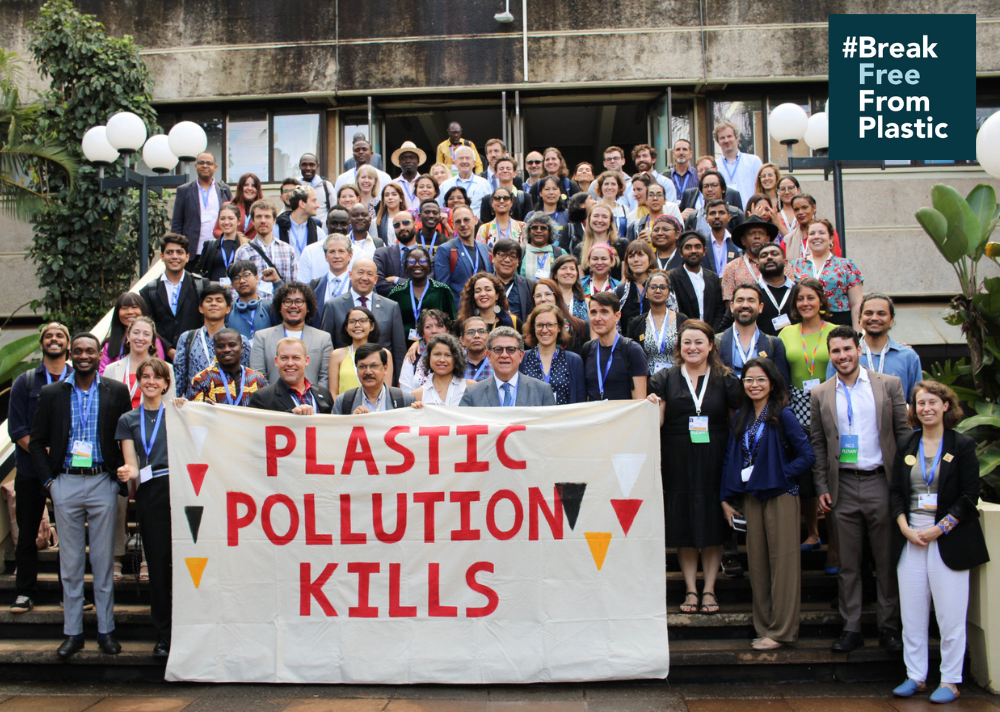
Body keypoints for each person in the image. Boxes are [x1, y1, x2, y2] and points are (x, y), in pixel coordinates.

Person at [30, 333, 132, 658]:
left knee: (102, 561)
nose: (84, 356)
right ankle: (73, 633)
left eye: (90, 351)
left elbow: (127, 432)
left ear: (99, 353)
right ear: (71, 355)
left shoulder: (116, 391)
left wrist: (118, 480)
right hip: (66, 483)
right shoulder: (51, 393)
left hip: (102, 480)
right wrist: (50, 482)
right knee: (70, 563)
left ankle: (106, 631)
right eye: (79, 351)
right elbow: (35, 441)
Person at [811, 326, 910, 654]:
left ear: (858, 349)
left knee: (885, 561)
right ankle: (851, 626)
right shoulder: (821, 393)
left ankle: (889, 627)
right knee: (849, 563)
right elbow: (818, 444)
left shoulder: (888, 386)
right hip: (843, 485)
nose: (842, 357)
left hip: (881, 481)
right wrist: (822, 485)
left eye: (847, 350)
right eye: (836, 352)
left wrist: (904, 486)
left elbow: (903, 434)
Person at [890, 381, 990, 703]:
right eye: (920, 404)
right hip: (912, 539)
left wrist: (940, 528)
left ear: (946, 406)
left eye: (932, 402)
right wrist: (905, 527)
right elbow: (895, 494)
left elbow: (969, 495)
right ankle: (915, 676)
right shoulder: (907, 444)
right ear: (914, 410)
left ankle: (949, 681)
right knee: (912, 615)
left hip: (948, 539)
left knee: (950, 617)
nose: (926, 409)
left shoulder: (962, 445)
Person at [720, 357, 815, 650]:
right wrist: (725, 497)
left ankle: (783, 631)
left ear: (772, 383)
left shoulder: (783, 415)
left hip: (781, 495)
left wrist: (778, 473)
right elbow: (731, 457)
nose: (754, 385)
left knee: (783, 564)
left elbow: (807, 455)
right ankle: (764, 627)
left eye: (760, 379)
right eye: (748, 380)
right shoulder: (742, 417)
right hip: (751, 496)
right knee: (758, 565)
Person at [647, 319, 741, 614]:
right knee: (684, 525)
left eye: (699, 342)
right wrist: (649, 406)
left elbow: (734, 421)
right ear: (679, 347)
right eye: (687, 342)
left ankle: (710, 589)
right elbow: (657, 423)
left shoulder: (726, 379)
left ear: (711, 346)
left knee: (712, 525)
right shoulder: (665, 378)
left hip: (715, 457)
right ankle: (690, 589)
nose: (692, 348)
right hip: (677, 459)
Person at [8, 323, 72, 614]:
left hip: (70, 472)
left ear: (67, 344)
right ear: (42, 343)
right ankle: (24, 592)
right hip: (31, 470)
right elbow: (17, 428)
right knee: (27, 533)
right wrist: (44, 453)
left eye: (60, 336)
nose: (54, 339)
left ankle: (69, 593)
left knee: (70, 537)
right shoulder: (25, 381)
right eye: (49, 336)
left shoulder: (79, 378)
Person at [114, 357, 175, 656]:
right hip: (151, 494)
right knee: (159, 566)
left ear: (166, 383)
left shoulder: (179, 412)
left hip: (183, 491)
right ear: (138, 381)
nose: (151, 381)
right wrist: (128, 473)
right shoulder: (128, 419)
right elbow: (132, 464)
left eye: (157, 377)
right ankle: (164, 633)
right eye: (145, 376)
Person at [776, 278, 836, 553]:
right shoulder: (786, 334)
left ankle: (835, 541)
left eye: (811, 298)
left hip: (829, 404)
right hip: (796, 406)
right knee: (805, 469)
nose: (805, 303)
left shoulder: (836, 331)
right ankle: (812, 532)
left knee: (828, 467)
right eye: (800, 299)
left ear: (821, 301)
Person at [321, 258, 406, 384]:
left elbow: (399, 350)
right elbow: (327, 347)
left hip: (382, 380)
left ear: (376, 279)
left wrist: (399, 382)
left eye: (370, 274)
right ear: (351, 275)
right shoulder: (333, 306)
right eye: (360, 272)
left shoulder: (391, 306)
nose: (364, 278)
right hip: (344, 380)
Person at [825, 293, 922, 398]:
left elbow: (916, 402)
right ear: (860, 319)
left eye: (881, 314)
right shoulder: (842, 357)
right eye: (868, 313)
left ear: (891, 320)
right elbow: (831, 399)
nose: (874, 318)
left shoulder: (908, 357)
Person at [173, 284, 252, 397]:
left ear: (228, 308)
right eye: (209, 300)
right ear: (200, 308)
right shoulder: (187, 338)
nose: (213, 303)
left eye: (219, 300)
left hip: (229, 405)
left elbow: (246, 374)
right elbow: (179, 376)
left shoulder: (241, 340)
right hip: (195, 405)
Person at [252, 281, 334, 389]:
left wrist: (314, 400)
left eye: (299, 301)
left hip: (311, 403)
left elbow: (326, 377)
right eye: (287, 301)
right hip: (272, 403)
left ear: (308, 307)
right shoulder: (262, 337)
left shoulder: (323, 338)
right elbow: (259, 376)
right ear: (279, 307)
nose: (293, 306)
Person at [139, 234, 207, 361]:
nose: (174, 256)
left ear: (187, 257)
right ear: (162, 256)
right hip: (160, 359)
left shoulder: (201, 286)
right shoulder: (148, 291)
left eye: (179, 252)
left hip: (196, 356)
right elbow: (148, 325)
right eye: (169, 252)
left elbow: (207, 322)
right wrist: (168, 350)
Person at [791, 217, 863, 331]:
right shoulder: (795, 266)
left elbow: (857, 303)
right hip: (806, 322)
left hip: (839, 322)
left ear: (831, 239)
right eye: (812, 233)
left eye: (822, 233)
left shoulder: (846, 265)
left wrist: (858, 333)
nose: (816, 236)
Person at [460, 326, 556, 407]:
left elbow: (551, 427)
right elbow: (463, 428)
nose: (504, 355)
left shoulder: (542, 391)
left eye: (511, 349)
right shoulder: (472, 393)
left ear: (521, 356)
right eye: (498, 349)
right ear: (489, 356)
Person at [718, 284, 791, 384]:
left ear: (760, 307)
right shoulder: (716, 342)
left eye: (751, 300)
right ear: (731, 306)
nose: (745, 305)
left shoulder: (774, 344)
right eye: (740, 300)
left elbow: (782, 386)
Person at [582, 292, 648, 400]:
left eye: (604, 312)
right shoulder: (587, 349)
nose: (597, 318)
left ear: (617, 316)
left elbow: (639, 402)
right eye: (593, 312)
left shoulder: (632, 350)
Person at [387, 245, 457, 342]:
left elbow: (452, 323)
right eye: (411, 261)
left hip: (436, 345)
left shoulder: (442, 290)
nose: (417, 265)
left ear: (429, 265)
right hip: (403, 346)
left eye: (422, 261)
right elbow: (390, 327)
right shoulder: (397, 293)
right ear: (406, 266)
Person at [104, 317, 177, 409]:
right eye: (136, 333)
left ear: (152, 340)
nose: (140, 338)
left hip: (152, 421)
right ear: (128, 336)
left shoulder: (166, 368)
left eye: (146, 334)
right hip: (119, 422)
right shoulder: (111, 369)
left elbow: (169, 405)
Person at [248, 337, 334, 414]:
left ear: (306, 361)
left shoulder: (324, 393)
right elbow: (258, 429)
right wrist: (291, 414)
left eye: (296, 358)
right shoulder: (262, 397)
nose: (290, 363)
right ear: (276, 361)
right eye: (284, 358)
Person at [170, 151, 232, 258]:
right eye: (201, 163)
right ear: (195, 166)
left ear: (215, 167)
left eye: (209, 163)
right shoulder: (184, 190)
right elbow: (177, 223)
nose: (205, 166)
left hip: (219, 250)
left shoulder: (224, 190)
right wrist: (178, 249)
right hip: (193, 251)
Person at [520, 304, 585, 404]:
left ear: (559, 327)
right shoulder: (522, 358)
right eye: (540, 325)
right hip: (531, 419)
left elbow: (580, 401)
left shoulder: (573, 360)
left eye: (550, 325)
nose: (545, 330)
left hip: (564, 418)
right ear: (533, 328)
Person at [720, 216, 792, 307]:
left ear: (768, 239)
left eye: (761, 233)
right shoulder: (732, 267)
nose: (757, 237)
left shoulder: (782, 264)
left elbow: (791, 293)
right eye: (751, 234)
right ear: (743, 240)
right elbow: (729, 302)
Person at [627, 271, 687, 376]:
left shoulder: (682, 320)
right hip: (647, 380)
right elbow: (631, 358)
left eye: (663, 287)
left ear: (669, 292)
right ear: (645, 292)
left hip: (677, 379)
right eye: (653, 287)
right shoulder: (635, 323)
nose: (658, 291)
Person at [234, 200, 298, 298]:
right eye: (259, 216)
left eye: (267, 217)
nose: (263, 220)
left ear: (274, 220)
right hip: (254, 308)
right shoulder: (243, 251)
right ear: (253, 221)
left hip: (281, 307)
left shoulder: (288, 250)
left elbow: (294, 285)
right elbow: (236, 287)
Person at [188, 328, 268, 405]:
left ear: (241, 348)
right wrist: (205, 407)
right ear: (214, 350)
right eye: (220, 346)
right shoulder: (202, 379)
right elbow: (196, 413)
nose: (226, 350)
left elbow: (266, 409)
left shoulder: (257, 378)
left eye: (232, 345)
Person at [334, 343, 420, 414]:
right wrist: (352, 421)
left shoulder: (405, 400)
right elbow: (335, 432)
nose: (368, 372)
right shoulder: (343, 402)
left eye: (374, 366)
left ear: (385, 368)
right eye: (362, 366)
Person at [434, 205, 494, 305]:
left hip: (483, 311)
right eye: (458, 221)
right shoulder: (446, 250)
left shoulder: (485, 249)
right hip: (460, 313)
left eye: (466, 220)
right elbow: (443, 289)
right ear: (453, 224)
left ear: (475, 220)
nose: (462, 224)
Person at [669, 232, 726, 332]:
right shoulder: (672, 277)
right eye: (688, 247)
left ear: (704, 251)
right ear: (681, 253)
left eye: (698, 247)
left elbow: (719, 310)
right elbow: (674, 311)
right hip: (683, 334)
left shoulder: (713, 277)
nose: (693, 251)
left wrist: (711, 333)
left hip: (711, 334)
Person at [328, 306, 391, 395]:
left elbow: (387, 390)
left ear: (372, 326)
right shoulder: (337, 355)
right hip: (345, 407)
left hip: (377, 407)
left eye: (362, 321)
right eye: (352, 321)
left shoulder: (384, 353)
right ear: (346, 327)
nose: (357, 325)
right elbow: (333, 392)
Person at [99, 292, 166, 373]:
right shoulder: (110, 344)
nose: (129, 312)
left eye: (134, 307)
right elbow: (103, 373)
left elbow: (160, 371)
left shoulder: (154, 341)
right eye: (124, 308)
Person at [412, 334, 475, 405]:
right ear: (429, 357)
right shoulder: (418, 394)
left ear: (456, 359)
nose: (442, 360)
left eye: (448, 355)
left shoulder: (470, 387)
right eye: (437, 354)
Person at [296, 205, 352, 285]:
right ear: (327, 224)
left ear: (349, 225)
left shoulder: (360, 254)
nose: (338, 228)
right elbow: (303, 286)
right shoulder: (310, 251)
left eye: (343, 224)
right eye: (334, 223)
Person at [398, 309, 452, 392]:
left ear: (447, 330)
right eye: (428, 327)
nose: (434, 331)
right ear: (422, 333)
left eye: (439, 326)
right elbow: (405, 390)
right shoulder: (413, 355)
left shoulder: (456, 354)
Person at [226, 260, 279, 341]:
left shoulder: (268, 307)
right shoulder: (228, 311)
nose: (242, 281)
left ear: (257, 278)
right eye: (236, 278)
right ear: (232, 285)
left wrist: (277, 281)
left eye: (246, 275)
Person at [714, 121, 763, 207]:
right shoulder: (715, 166)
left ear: (737, 138)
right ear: (718, 142)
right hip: (723, 215)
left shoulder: (753, 161)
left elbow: (761, 189)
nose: (726, 140)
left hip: (749, 214)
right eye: (722, 138)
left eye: (729, 136)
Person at [532, 277, 589, 353]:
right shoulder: (529, 329)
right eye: (538, 296)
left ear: (557, 296)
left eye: (548, 294)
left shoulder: (579, 327)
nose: (543, 299)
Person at [684, 171, 745, 239]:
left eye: (714, 185)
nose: (710, 189)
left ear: (723, 189)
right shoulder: (693, 217)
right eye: (706, 186)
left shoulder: (736, 214)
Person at [679, 156, 744, 218]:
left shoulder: (733, 194)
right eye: (700, 170)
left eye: (707, 169)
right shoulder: (689, 194)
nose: (704, 172)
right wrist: (681, 216)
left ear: (716, 169)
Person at [755, 242, 797, 337]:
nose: (769, 257)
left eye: (774, 254)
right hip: (763, 348)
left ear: (785, 263)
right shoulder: (751, 293)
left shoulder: (799, 290)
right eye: (764, 255)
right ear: (757, 266)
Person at [578, 203, 627, 281]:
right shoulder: (580, 248)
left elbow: (625, 277)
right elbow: (581, 281)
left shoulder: (622, 244)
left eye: (604, 217)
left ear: (610, 221)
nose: (600, 220)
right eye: (596, 216)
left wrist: (615, 292)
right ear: (589, 219)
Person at [785, 193, 843, 261]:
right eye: (796, 209)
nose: (800, 212)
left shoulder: (828, 233)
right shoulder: (788, 239)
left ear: (814, 208)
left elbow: (837, 260)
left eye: (805, 207)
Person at [437, 145, 491, 216]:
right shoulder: (445, 185)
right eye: (461, 158)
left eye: (468, 158)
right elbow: (440, 209)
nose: (464, 161)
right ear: (455, 162)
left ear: (474, 163)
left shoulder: (484, 184)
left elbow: (490, 209)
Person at [200, 204, 249, 283]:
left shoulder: (246, 245)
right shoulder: (210, 245)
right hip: (214, 290)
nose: (226, 222)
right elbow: (199, 271)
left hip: (238, 290)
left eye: (230, 218)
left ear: (239, 221)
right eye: (222, 218)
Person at [373, 211, 417, 297]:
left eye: (406, 223)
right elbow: (378, 283)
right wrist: (411, 288)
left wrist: (396, 280)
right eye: (397, 225)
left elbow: (426, 285)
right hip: (387, 306)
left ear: (415, 224)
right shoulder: (381, 254)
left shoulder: (427, 257)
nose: (401, 227)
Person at [491, 238, 535, 323]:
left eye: (513, 256)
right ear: (493, 258)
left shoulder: (530, 285)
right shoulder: (484, 284)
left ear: (518, 261)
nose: (507, 260)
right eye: (502, 255)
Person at [275, 185, 326, 257]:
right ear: (302, 204)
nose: (318, 205)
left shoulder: (319, 233)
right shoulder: (277, 228)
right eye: (314, 201)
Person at [615, 240, 656, 328]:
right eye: (631, 256)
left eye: (641, 255)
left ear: (650, 258)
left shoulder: (661, 288)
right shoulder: (619, 291)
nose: (636, 260)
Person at [480, 155, 532, 223]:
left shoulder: (525, 198)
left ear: (515, 173)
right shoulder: (487, 200)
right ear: (496, 173)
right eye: (501, 168)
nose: (505, 171)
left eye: (508, 168)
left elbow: (528, 224)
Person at [211, 172, 260, 243]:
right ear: (240, 187)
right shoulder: (228, 206)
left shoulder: (262, 209)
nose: (249, 188)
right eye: (246, 185)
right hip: (232, 248)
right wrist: (232, 234)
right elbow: (216, 231)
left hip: (254, 249)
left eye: (253, 186)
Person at [477, 186, 526, 250]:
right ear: (492, 203)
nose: (502, 201)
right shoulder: (484, 229)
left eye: (506, 198)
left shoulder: (522, 227)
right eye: (497, 198)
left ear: (511, 203)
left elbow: (527, 253)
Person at [520, 212, 565, 282]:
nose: (538, 231)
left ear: (550, 231)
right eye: (535, 227)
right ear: (529, 231)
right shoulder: (521, 253)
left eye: (543, 228)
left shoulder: (560, 253)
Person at [299, 153, 336, 225]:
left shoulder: (326, 186)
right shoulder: (296, 187)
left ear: (317, 166)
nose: (308, 168)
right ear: (300, 166)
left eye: (311, 165)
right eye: (304, 165)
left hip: (322, 230)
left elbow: (333, 210)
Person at [552, 254, 589, 323]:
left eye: (572, 269)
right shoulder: (549, 299)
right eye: (563, 268)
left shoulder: (586, 302)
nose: (568, 272)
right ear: (555, 275)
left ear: (577, 274)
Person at [391, 141, 427, 211]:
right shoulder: (393, 184)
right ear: (399, 162)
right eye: (404, 158)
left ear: (418, 161)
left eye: (411, 157)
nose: (408, 161)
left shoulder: (426, 183)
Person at [594, 170, 629, 237]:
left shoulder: (624, 209)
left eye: (613, 184)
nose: (610, 187)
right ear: (601, 187)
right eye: (606, 184)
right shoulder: (594, 207)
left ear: (618, 187)